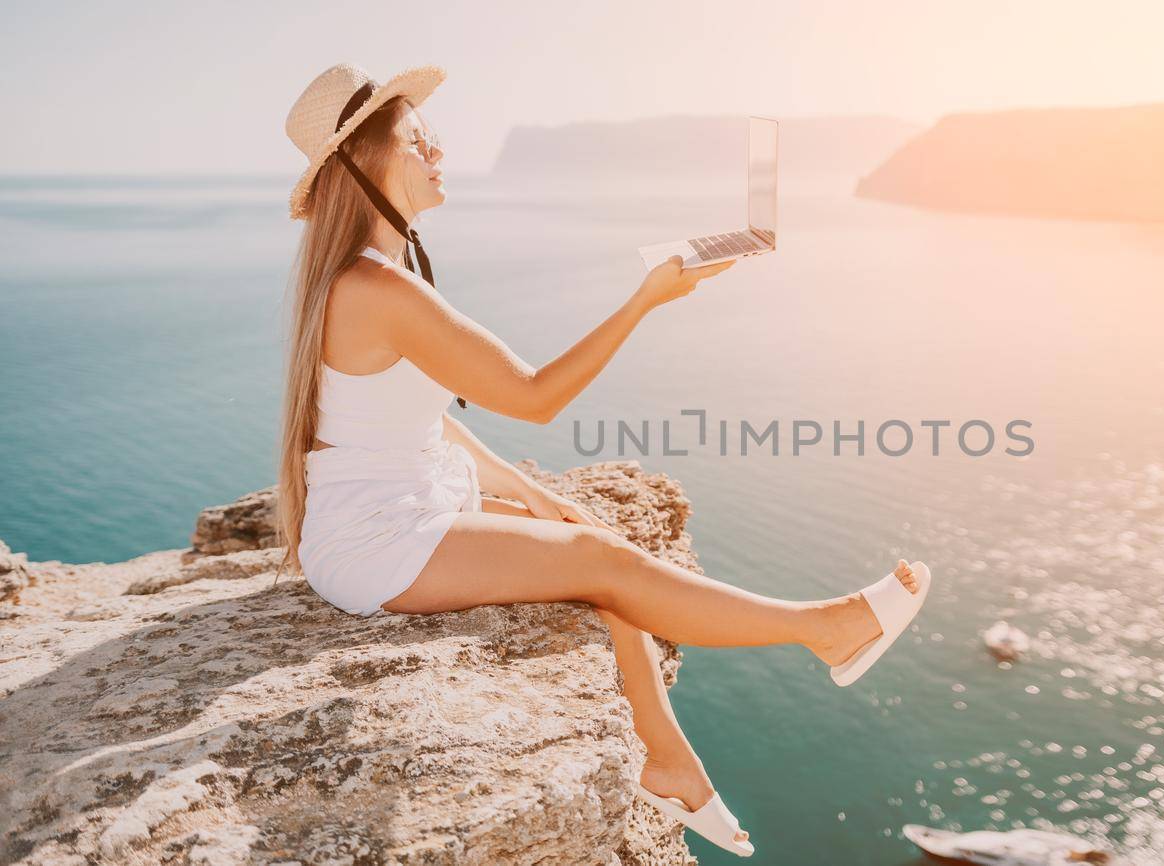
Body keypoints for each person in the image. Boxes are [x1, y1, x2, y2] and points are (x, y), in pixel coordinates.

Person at [276, 63, 932, 857]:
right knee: (599, 560)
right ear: (365, 165)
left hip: (401, 509)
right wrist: (643, 301)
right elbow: (536, 395)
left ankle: (669, 760)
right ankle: (826, 630)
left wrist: (527, 491)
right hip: (376, 545)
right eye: (419, 141)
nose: (440, 151)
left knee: (591, 551)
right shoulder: (379, 288)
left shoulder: (375, 277)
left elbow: (418, 421)